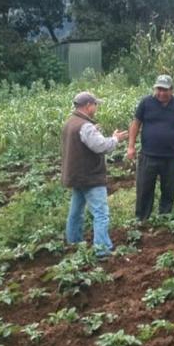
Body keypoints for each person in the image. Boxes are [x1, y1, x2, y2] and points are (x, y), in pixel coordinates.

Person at [60, 91, 128, 257]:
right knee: (101, 214)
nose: (96, 108)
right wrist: (116, 139)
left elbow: (84, 141)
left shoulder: (70, 123)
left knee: (76, 212)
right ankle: (102, 249)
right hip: (90, 177)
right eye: (95, 104)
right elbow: (101, 147)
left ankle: (73, 243)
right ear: (88, 106)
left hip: (75, 176)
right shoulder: (85, 126)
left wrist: (94, 132)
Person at [126, 74, 174, 221]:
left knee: (168, 190)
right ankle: (142, 219)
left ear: (172, 90)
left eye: (165, 90)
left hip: (170, 157)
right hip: (148, 155)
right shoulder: (146, 103)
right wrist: (130, 146)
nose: (161, 93)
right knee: (144, 190)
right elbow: (136, 124)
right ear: (155, 89)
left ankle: (165, 218)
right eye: (159, 89)